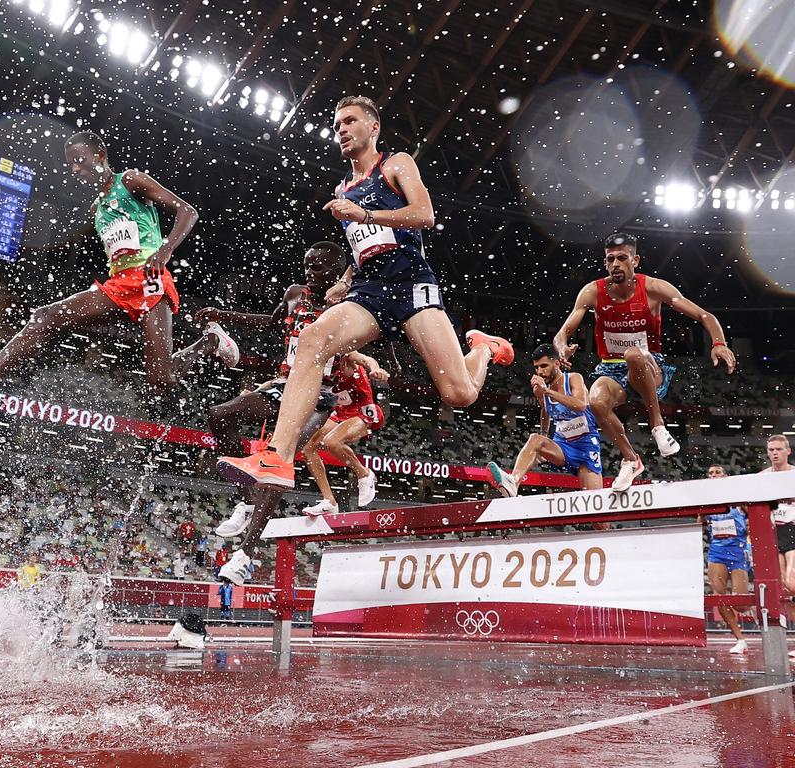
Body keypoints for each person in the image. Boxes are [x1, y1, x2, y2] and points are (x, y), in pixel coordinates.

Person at [217, 95, 512, 489]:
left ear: (373, 128)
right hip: (370, 290)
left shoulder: (395, 164)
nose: (340, 129)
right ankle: (278, 458)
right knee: (312, 340)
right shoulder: (343, 187)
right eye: (337, 123)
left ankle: (481, 349)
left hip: (410, 284)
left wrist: (366, 214)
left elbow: (424, 215)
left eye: (349, 121)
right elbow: (365, 247)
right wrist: (346, 279)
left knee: (459, 394)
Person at [0, 130, 239, 420]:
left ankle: (210, 340)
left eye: (80, 160)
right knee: (47, 316)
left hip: (149, 277)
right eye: (70, 165)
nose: (75, 169)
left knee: (162, 381)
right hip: (119, 285)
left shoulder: (131, 181)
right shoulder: (96, 208)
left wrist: (164, 250)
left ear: (101, 155)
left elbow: (187, 211)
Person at [200, 241, 389, 539]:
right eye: (306, 265)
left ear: (338, 272)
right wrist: (224, 315)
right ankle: (246, 503)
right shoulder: (295, 293)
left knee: (282, 454)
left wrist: (373, 362)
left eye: (318, 266)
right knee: (220, 415)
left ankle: (247, 553)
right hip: (285, 384)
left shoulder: (351, 306)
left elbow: (374, 343)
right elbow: (270, 323)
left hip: (322, 395)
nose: (309, 271)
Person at [553, 232, 736, 491]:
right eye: (610, 259)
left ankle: (658, 426)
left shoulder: (653, 288)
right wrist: (561, 348)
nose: (615, 264)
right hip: (610, 368)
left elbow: (704, 315)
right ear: (605, 263)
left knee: (634, 354)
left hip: (649, 365)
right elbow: (563, 332)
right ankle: (630, 460)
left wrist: (719, 343)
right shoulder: (592, 292)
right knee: (595, 402)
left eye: (622, 258)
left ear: (635, 260)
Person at [486, 344, 602, 498]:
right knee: (536, 439)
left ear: (557, 363)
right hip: (563, 445)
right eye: (536, 368)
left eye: (544, 366)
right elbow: (545, 410)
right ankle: (513, 482)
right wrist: (544, 434)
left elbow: (580, 405)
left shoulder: (574, 378)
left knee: (596, 508)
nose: (540, 371)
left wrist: (547, 391)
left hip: (586, 445)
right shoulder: (539, 389)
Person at [301, 353, 388, 516]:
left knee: (331, 443)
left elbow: (367, 360)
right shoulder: (317, 361)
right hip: (340, 411)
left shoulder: (345, 356)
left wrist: (376, 369)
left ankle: (364, 473)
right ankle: (329, 501)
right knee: (308, 448)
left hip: (362, 410)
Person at [704, 464, 750, 654]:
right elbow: (700, 523)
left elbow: (754, 519)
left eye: (717, 472)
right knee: (719, 598)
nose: (713, 475)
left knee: (742, 604)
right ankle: (740, 640)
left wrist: (749, 542)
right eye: (710, 473)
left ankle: (753, 613)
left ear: (726, 476)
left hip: (738, 552)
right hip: (717, 552)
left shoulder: (739, 500)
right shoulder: (706, 502)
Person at [760, 434, 795, 658]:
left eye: (778, 449)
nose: (774, 453)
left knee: (792, 584)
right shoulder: (762, 477)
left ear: (788, 451)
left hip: (793, 529)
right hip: (775, 532)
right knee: (784, 589)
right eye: (771, 449)